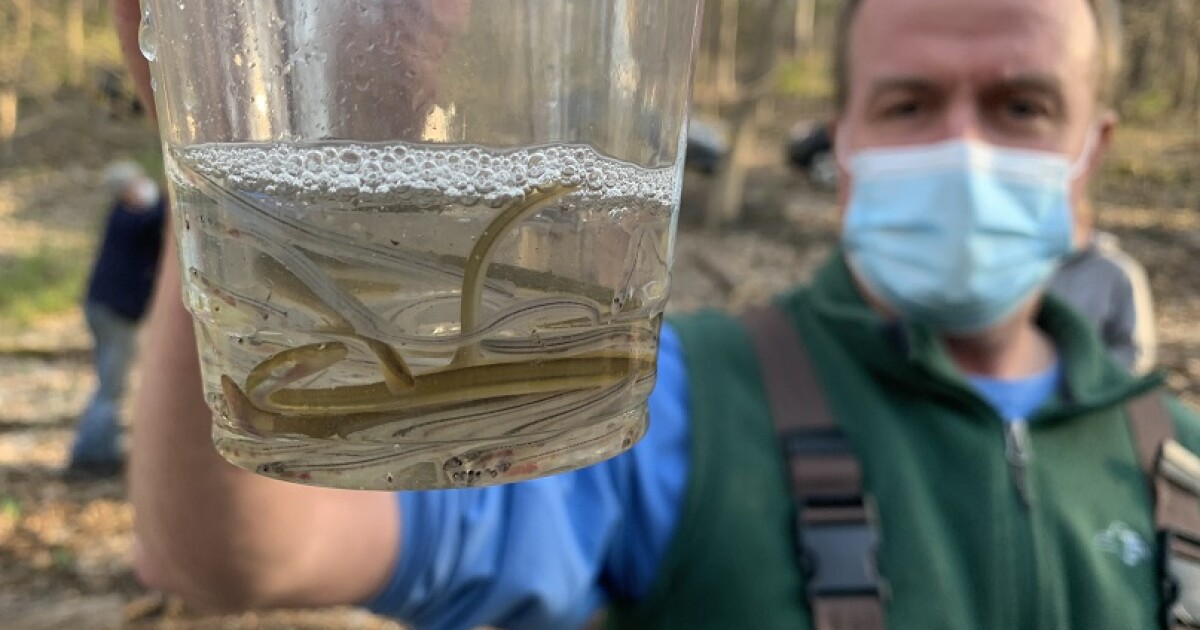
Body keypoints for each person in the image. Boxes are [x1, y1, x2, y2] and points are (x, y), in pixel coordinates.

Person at [118, 0, 1200, 629]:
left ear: (1090, 154)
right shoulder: (679, 404)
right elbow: (250, 555)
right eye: (910, 105)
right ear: (846, 144)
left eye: (1022, 106)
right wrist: (240, 191)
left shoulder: (1181, 466)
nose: (962, 147)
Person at [66, 160, 165, 479]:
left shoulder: (125, 218)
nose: (143, 188)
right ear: (126, 192)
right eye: (137, 183)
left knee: (109, 384)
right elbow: (157, 218)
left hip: (104, 308)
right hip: (114, 312)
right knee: (111, 388)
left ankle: (100, 450)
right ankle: (91, 458)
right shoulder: (128, 220)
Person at [1048, 223, 1158, 374]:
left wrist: (1082, 372)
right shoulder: (1020, 267)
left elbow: (1135, 353)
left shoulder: (1117, 271)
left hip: (1092, 390)